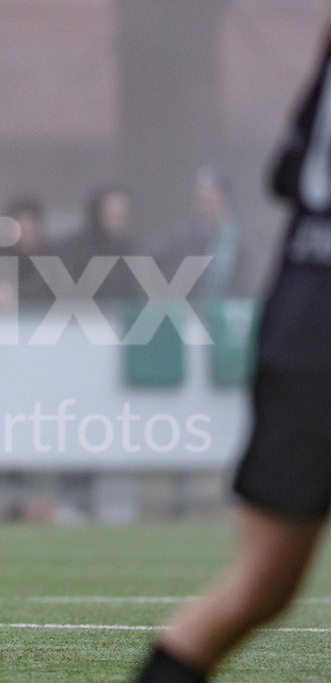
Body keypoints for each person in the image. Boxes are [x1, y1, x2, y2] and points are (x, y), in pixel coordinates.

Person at [137, 21, 331, 682]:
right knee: (261, 585)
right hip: (312, 317)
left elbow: (287, 173)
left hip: (304, 309)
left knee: (259, 588)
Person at [153, 165, 252, 301]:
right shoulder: (183, 235)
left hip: (225, 313)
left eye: (211, 194)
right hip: (190, 314)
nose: (206, 201)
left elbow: (245, 283)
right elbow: (155, 258)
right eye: (201, 195)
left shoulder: (238, 239)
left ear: (224, 198)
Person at [52, 185, 139, 303]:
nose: (117, 221)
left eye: (121, 215)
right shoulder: (72, 250)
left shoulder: (130, 251)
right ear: (97, 213)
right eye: (111, 215)